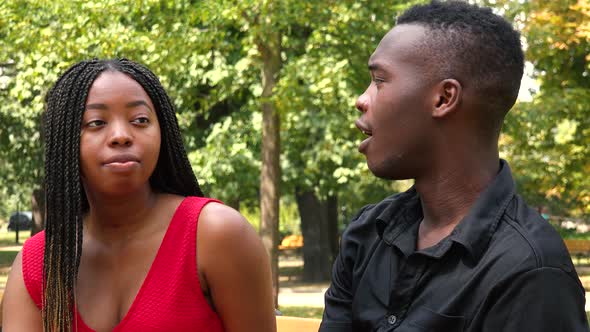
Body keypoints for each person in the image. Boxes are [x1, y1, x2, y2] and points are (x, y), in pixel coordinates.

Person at [320, 1, 589, 331]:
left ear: (444, 98)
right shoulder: (367, 234)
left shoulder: (530, 273)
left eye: (379, 80)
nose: (361, 99)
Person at [3, 59, 276, 332]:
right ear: (64, 140)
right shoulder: (39, 261)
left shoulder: (216, 235)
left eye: (140, 120)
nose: (121, 135)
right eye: (96, 123)